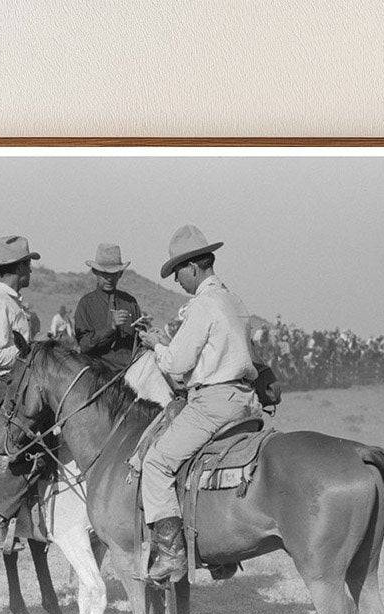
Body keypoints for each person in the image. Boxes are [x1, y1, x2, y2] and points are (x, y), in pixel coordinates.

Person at [137, 225, 260, 584]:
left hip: (213, 402)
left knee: (157, 462)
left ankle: (171, 553)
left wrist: (155, 345)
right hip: (245, 402)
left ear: (192, 267)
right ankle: (222, 549)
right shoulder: (234, 301)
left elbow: (177, 365)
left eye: (177, 271)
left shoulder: (203, 305)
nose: (176, 280)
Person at [0, 234, 40, 552]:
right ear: (19, 267)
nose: (31, 270)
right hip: (3, 387)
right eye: (28, 264)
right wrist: (30, 353)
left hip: (18, 385)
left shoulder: (13, 303)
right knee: (19, 439)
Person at [73, 243, 141, 372]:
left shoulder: (130, 302)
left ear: (120, 274)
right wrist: (111, 328)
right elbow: (84, 345)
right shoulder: (86, 304)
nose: (109, 279)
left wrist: (146, 333)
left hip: (130, 373)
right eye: (105, 274)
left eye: (114, 274)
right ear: (95, 272)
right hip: (97, 374)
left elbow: (139, 343)